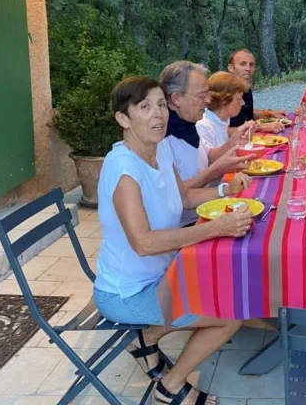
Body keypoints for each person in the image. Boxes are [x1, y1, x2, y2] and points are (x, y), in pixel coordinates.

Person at [94, 75, 253, 405]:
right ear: (123, 119)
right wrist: (216, 228)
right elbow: (144, 243)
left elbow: (182, 197)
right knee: (232, 314)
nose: (158, 114)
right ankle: (170, 387)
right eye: (145, 107)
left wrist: (225, 189)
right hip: (128, 292)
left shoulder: (158, 149)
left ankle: (149, 335)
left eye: (161, 105)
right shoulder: (124, 169)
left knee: (230, 284)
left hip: (164, 276)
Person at [160, 61, 252, 225]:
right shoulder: (163, 138)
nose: (208, 101)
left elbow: (206, 157)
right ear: (176, 98)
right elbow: (179, 195)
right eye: (201, 96)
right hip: (185, 223)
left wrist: (232, 142)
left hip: (205, 208)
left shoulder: (188, 125)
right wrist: (218, 170)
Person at [196, 72, 256, 171]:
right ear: (224, 101)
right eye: (239, 99)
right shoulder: (203, 125)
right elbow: (208, 162)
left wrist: (243, 139)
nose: (243, 103)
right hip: (215, 184)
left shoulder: (222, 120)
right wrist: (233, 142)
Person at [227, 49, 285, 132]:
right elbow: (220, 132)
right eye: (243, 64)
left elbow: (246, 112)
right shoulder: (224, 92)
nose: (248, 68)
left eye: (251, 65)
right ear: (231, 68)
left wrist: (268, 113)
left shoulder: (246, 89)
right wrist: (260, 127)